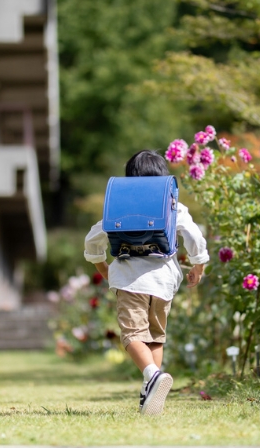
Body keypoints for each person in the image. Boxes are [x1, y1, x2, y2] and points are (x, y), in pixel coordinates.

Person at [84, 150, 209, 416]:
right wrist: (199, 265)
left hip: (130, 280)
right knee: (155, 336)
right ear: (164, 177)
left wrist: (101, 265)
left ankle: (152, 375)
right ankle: (151, 396)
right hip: (164, 282)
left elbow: (93, 237)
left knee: (132, 336)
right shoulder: (172, 204)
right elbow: (193, 235)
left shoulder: (121, 203)